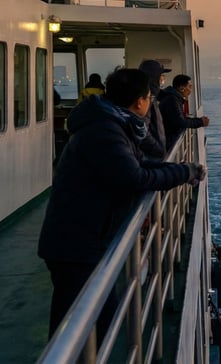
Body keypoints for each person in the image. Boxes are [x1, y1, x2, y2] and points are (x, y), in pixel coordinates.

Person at [37, 68, 206, 337]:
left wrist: (182, 171)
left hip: (86, 237)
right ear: (139, 101)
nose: (151, 103)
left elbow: (139, 163)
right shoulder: (105, 131)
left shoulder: (112, 123)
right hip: (77, 243)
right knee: (74, 327)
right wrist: (183, 172)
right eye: (150, 98)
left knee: (90, 319)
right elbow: (135, 176)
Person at [158, 74, 210, 151]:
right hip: (166, 141)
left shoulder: (173, 98)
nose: (190, 90)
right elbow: (180, 121)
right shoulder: (172, 100)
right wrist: (200, 122)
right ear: (182, 88)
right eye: (189, 86)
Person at [138, 59, 171, 160]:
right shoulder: (147, 99)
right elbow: (142, 130)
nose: (163, 79)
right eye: (161, 76)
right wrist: (158, 149)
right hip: (151, 158)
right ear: (154, 77)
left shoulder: (152, 96)